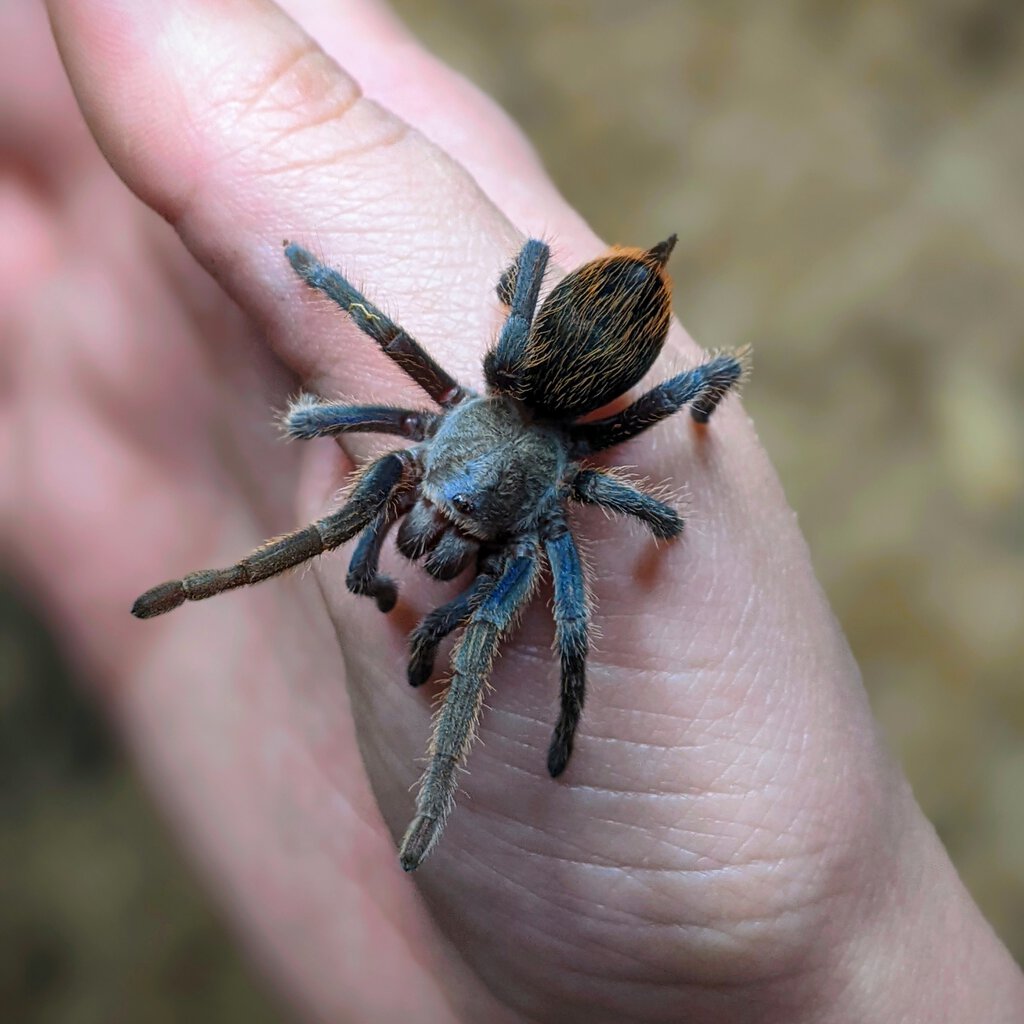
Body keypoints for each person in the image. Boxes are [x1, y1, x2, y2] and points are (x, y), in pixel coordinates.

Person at [4, 1, 1022, 1021]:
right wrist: (321, 289)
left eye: (448, 523)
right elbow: (386, 330)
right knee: (331, 535)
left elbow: (581, 573)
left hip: (577, 376)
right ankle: (217, 594)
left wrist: (579, 672)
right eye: (442, 513)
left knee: (483, 617)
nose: (436, 537)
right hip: (543, 385)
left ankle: (434, 802)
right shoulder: (467, 422)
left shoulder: (557, 468)